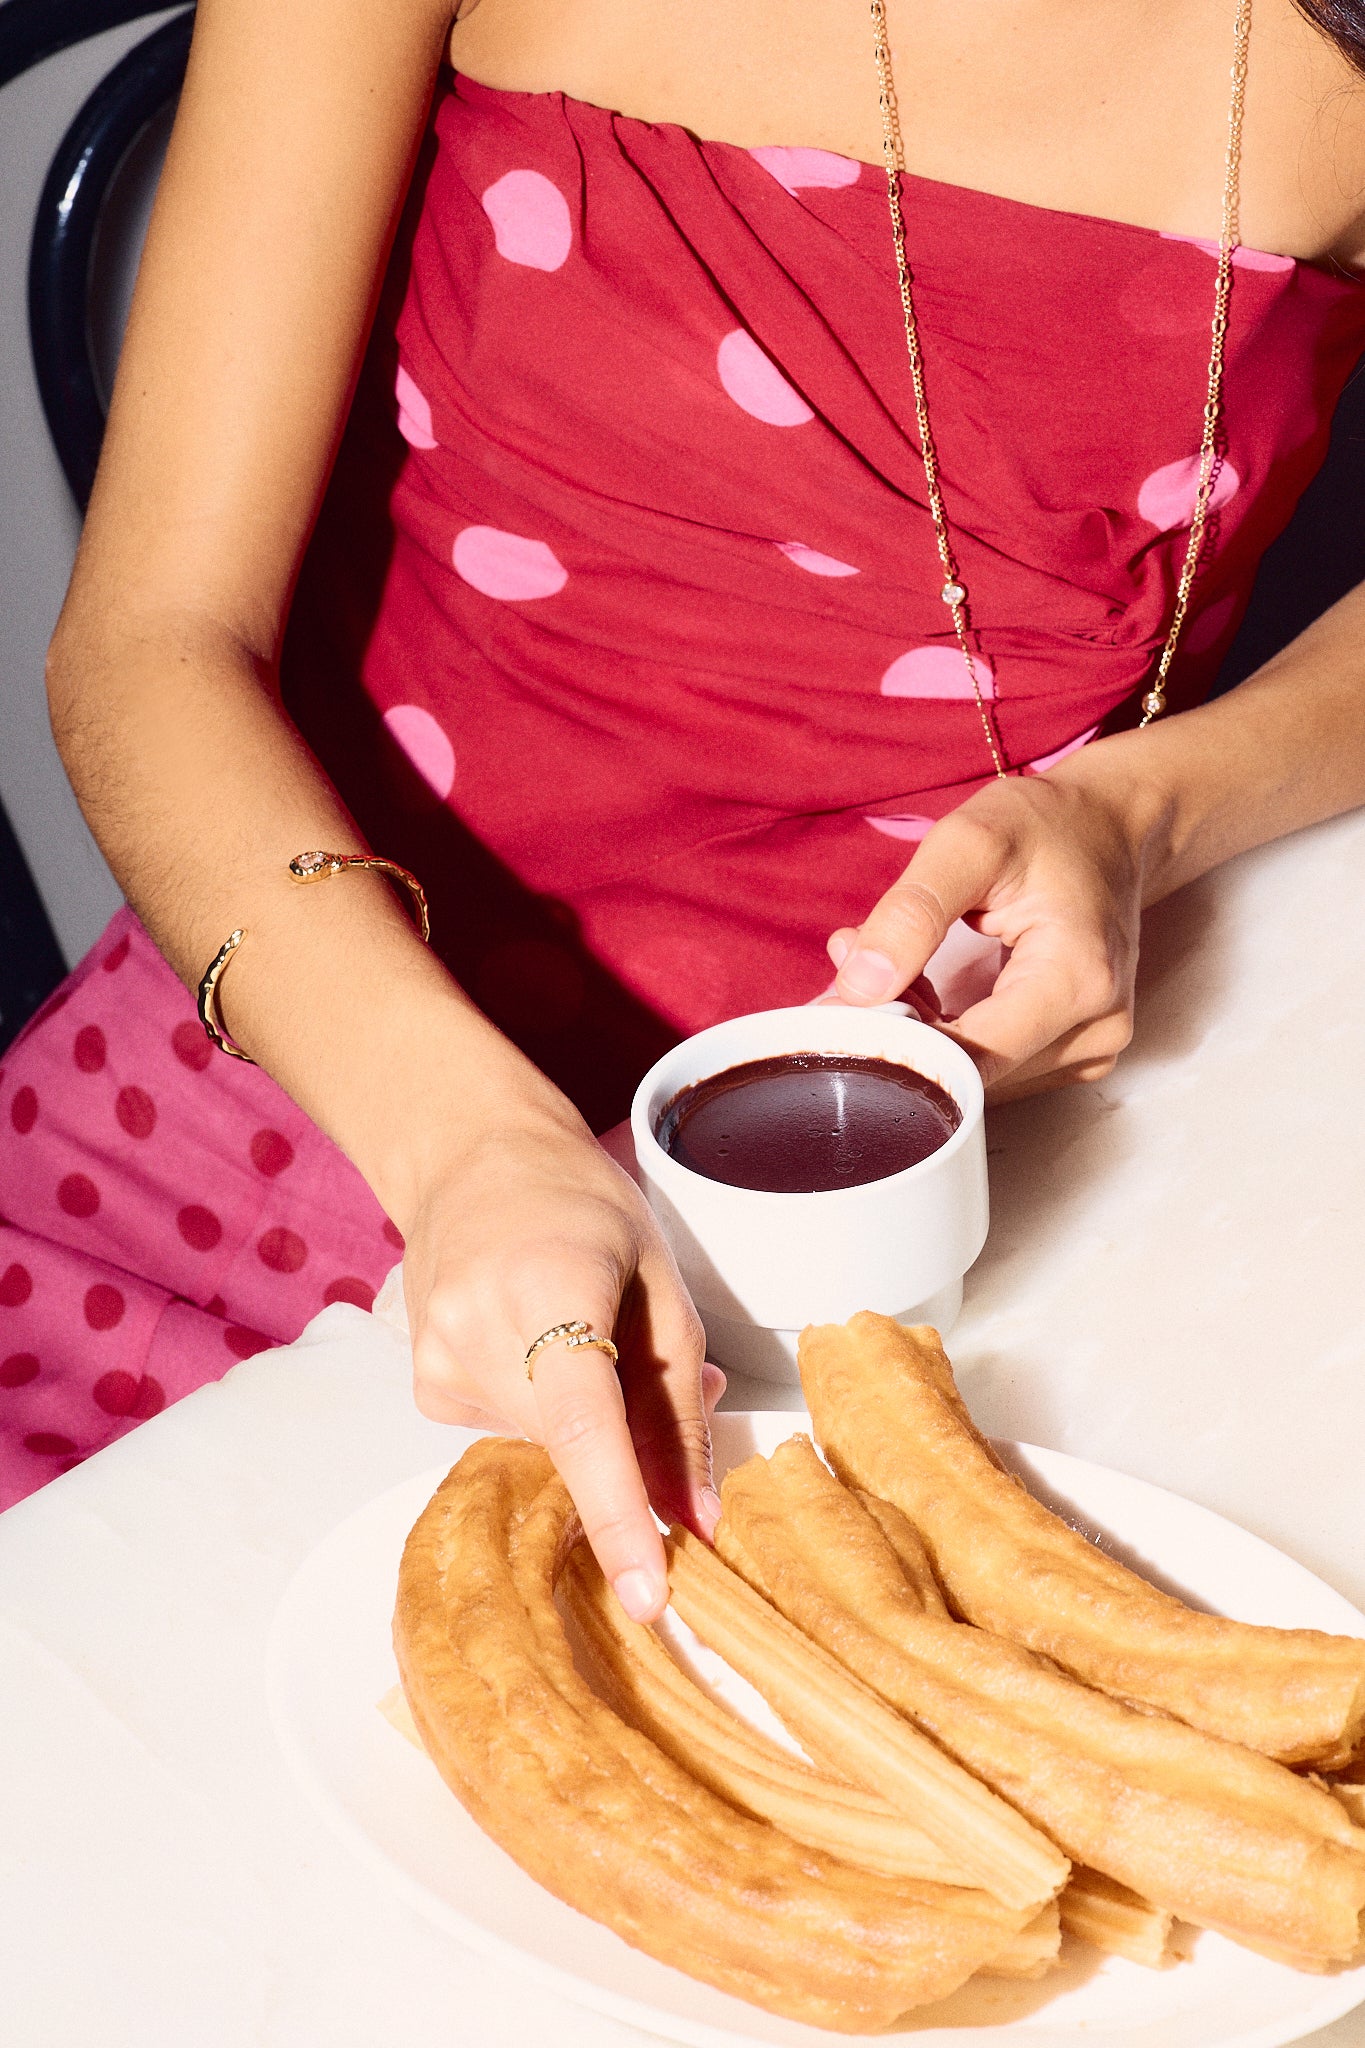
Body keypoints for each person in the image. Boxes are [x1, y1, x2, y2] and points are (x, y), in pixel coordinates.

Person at [3, 0, 1365, 1617]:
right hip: (276, 1081)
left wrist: (1141, 816)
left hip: (916, 1215)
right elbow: (149, 642)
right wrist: (469, 1152)